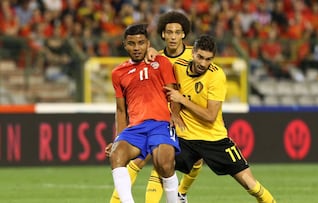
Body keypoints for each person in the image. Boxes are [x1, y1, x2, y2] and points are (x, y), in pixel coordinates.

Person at [164, 35, 277, 203]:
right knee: (162, 167)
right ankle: (179, 195)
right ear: (193, 53)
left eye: (208, 59)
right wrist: (174, 113)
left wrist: (182, 100)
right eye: (200, 57)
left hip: (214, 138)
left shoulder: (217, 76)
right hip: (185, 137)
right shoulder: (178, 67)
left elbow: (210, 116)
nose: (203, 63)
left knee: (251, 185)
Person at [107, 11, 202, 203]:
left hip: (160, 124)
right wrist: (119, 136)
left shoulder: (160, 62)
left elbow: (172, 92)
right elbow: (120, 110)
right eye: (132, 43)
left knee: (164, 163)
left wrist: (174, 115)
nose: (136, 47)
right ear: (125, 45)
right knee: (116, 155)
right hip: (136, 128)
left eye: (141, 43)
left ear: (148, 44)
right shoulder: (118, 73)